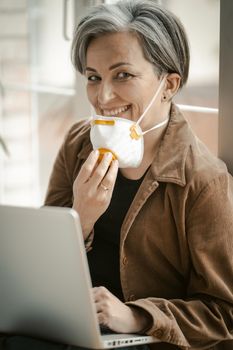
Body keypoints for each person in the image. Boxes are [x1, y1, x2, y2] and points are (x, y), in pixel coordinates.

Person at [1, 1, 232, 350]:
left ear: (168, 84)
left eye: (123, 75)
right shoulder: (78, 143)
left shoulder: (204, 181)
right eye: (94, 77)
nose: (103, 96)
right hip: (68, 328)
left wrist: (136, 316)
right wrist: (80, 218)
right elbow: (41, 266)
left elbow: (224, 313)